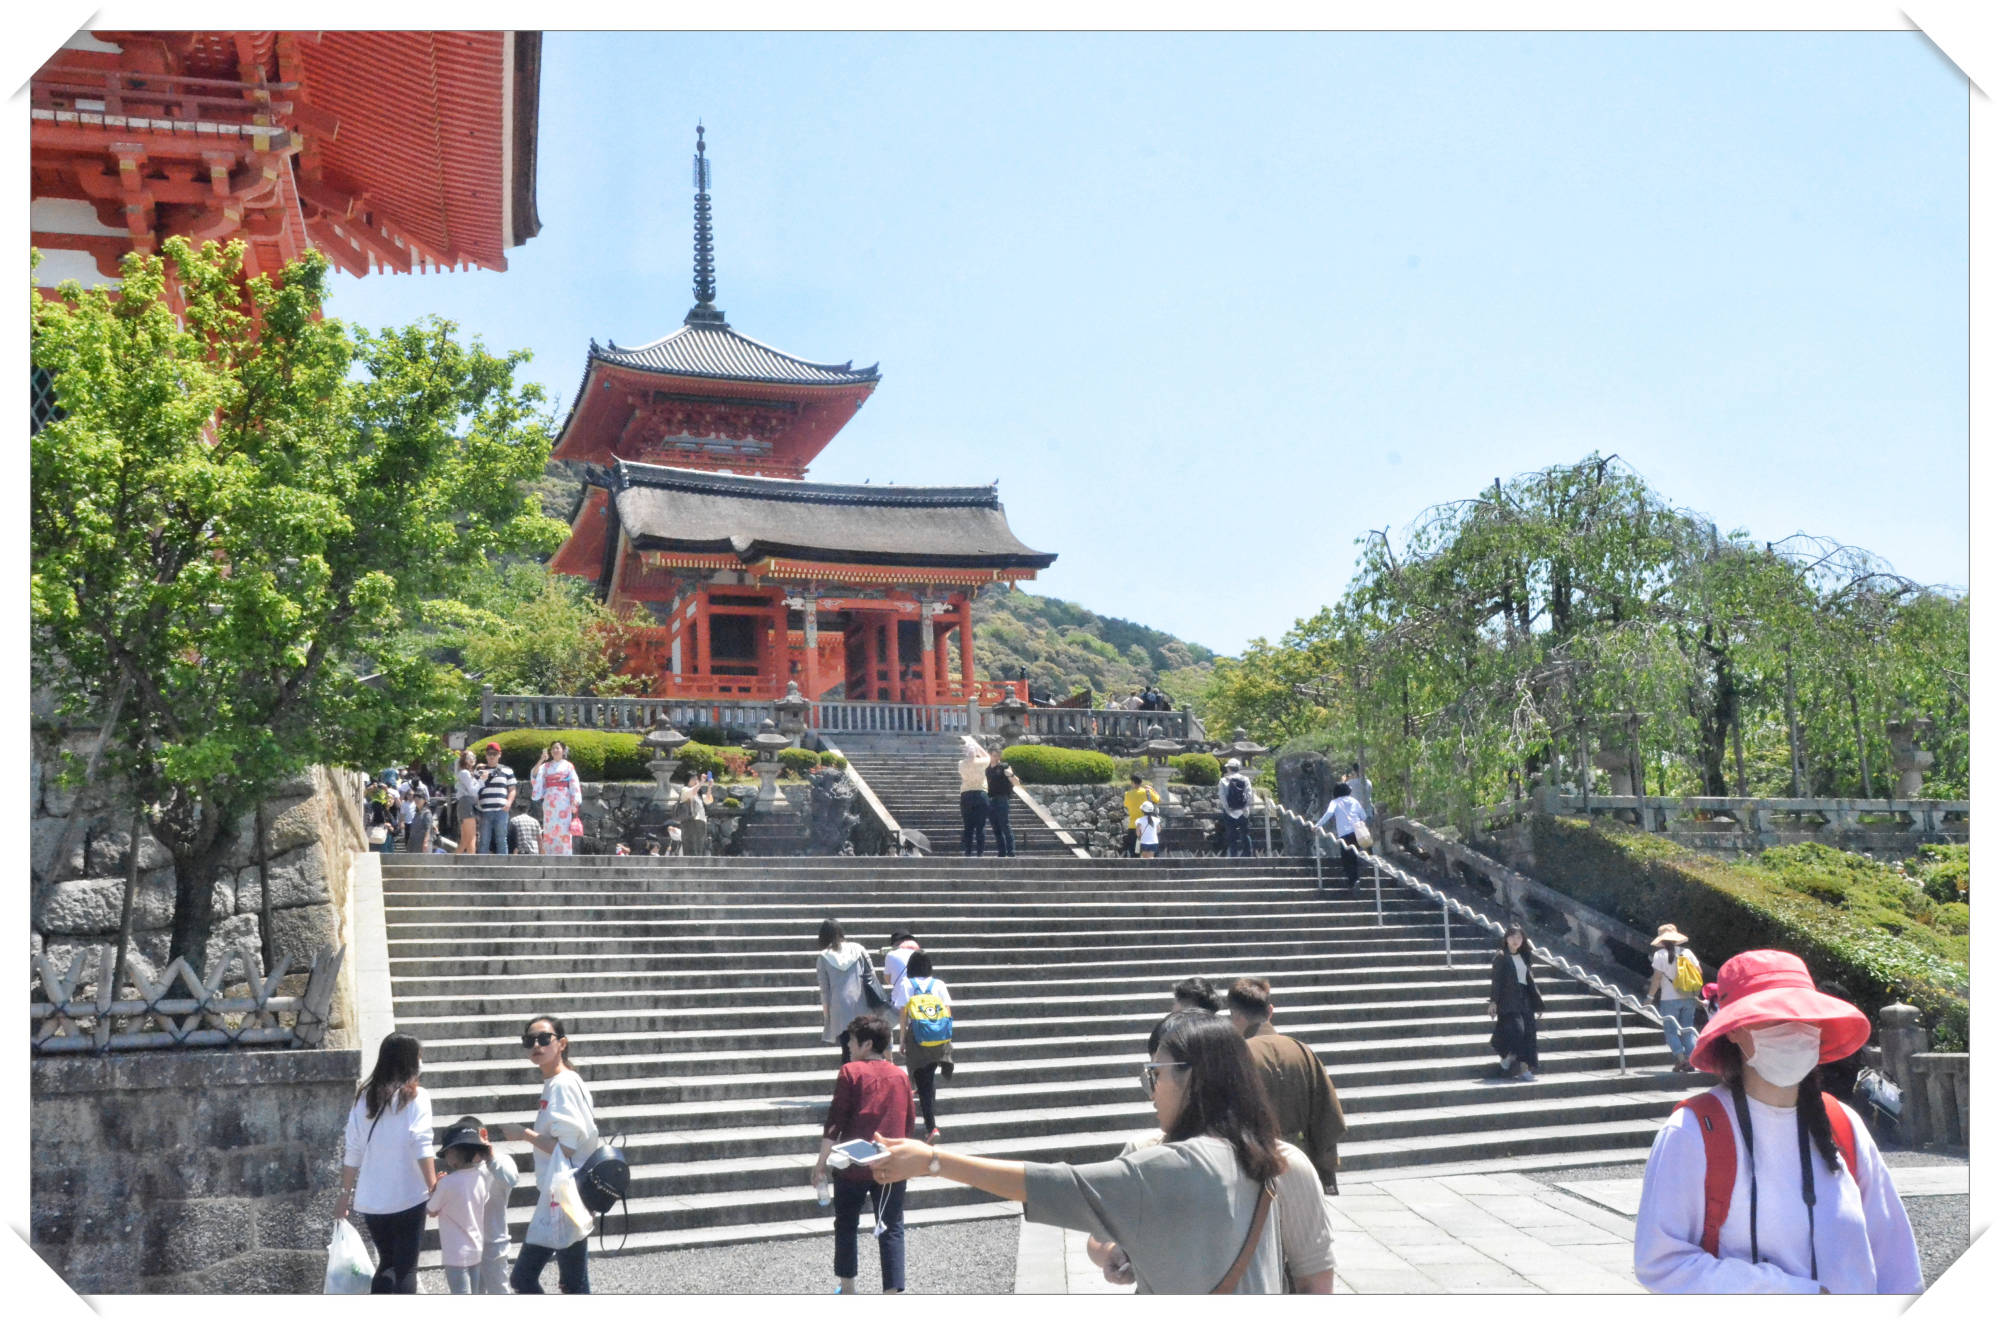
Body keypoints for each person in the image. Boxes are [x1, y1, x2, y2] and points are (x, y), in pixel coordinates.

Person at [871, 1010, 1286, 1294]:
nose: (1150, 1091)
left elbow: (1049, 1183)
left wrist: (932, 1161)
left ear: (1192, 1079)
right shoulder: (1254, 1153)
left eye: (1154, 1074)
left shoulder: (1171, 1166)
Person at [1632, 950, 1923, 1294]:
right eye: (1772, 1017)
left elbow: (1897, 1265)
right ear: (1735, 1032)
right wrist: (1796, 1295)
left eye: (1803, 1017)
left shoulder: (1843, 1123)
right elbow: (1661, 1263)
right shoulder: (1692, 1131)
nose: (1793, 1030)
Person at [812, 1015, 914, 1294]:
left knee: (846, 1224)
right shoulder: (900, 1076)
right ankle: (892, 1294)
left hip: (853, 1165)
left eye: (853, 1042)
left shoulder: (850, 1072)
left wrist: (820, 1163)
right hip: (890, 1164)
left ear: (867, 1044)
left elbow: (835, 1122)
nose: (849, 1047)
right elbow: (908, 1124)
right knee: (892, 1226)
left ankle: (848, 1289)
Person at [333, 1032, 436, 1294]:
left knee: (387, 1262)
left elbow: (353, 1148)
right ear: (411, 1061)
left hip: (372, 1199)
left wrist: (344, 1195)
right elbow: (421, 1142)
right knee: (405, 1268)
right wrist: (434, 1187)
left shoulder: (365, 1096)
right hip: (408, 1194)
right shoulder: (416, 1096)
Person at [502, 1015, 598, 1293]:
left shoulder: (561, 1084)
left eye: (544, 1038)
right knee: (572, 1283)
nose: (536, 1044)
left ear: (562, 1043)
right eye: (529, 1040)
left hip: (565, 1197)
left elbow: (565, 1148)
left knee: (525, 1278)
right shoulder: (563, 1080)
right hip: (567, 1195)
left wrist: (523, 1134)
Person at [1226, 978, 1346, 1191]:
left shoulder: (1235, 1056)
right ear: (1270, 1010)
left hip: (1255, 1172)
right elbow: (1329, 1116)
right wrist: (1326, 1171)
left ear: (1235, 1015)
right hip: (1302, 1166)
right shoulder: (1302, 1050)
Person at [441, 1115, 520, 1294]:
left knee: (498, 1292)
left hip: (493, 1243)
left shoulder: (500, 1160)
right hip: (466, 1246)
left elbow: (511, 1179)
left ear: (483, 1135)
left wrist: (489, 1156)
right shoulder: (462, 1169)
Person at [894, 950, 954, 1142]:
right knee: (928, 1079)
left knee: (923, 1080)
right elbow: (948, 1011)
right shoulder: (938, 984)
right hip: (938, 1037)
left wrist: (902, 1039)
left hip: (917, 1038)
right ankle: (930, 1121)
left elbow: (903, 1015)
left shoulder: (906, 984)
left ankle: (931, 1127)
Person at [428, 1122, 494, 1294]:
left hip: (455, 1253)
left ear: (452, 1153)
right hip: (477, 1247)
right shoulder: (481, 1177)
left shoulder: (447, 1183)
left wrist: (435, 1188)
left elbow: (431, 1210)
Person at [817, 919, 888, 1062]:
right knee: (868, 1048)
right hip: (863, 1005)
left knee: (848, 1048)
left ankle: (850, 1080)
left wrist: (827, 1017)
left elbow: (825, 991)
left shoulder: (823, 957)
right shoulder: (858, 949)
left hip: (840, 1009)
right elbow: (872, 976)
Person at [1486, 923, 1545, 1081]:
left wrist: (1537, 1003)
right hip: (1508, 1002)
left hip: (1525, 1001)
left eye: (1519, 937)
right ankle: (1509, 1057)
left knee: (1529, 1035)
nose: (1515, 940)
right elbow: (1496, 981)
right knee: (1517, 1032)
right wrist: (1493, 1002)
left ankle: (1525, 1070)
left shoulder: (1523, 956)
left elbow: (1530, 981)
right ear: (1506, 939)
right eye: (1512, 936)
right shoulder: (1501, 956)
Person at [1645, 923, 1704, 1074]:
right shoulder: (1687, 952)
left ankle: (1681, 1059)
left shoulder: (1660, 955)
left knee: (1671, 1031)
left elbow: (1657, 978)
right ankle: (1691, 1060)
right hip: (1688, 997)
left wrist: (1650, 997)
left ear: (1661, 940)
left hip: (1669, 998)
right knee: (1688, 1030)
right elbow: (1699, 972)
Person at [531, 741, 582, 856]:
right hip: (550, 800)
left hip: (564, 800)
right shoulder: (546, 766)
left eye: (557, 748)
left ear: (563, 750)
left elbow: (574, 783)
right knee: (550, 828)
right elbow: (535, 776)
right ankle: (549, 854)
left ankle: (565, 855)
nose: (555, 750)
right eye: (553, 748)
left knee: (564, 829)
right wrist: (541, 760)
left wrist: (575, 799)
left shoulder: (568, 766)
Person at [1313, 781, 1366, 888]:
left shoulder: (1335, 802)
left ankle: (1353, 880)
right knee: (1354, 854)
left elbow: (1328, 814)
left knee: (1346, 857)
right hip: (1357, 831)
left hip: (1345, 833)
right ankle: (1356, 879)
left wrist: (1318, 825)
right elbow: (1363, 816)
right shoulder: (1354, 801)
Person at [475, 742, 516, 855]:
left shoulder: (507, 771)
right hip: (484, 811)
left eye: (494, 753)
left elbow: (512, 789)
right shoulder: (479, 771)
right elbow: (474, 789)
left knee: (501, 840)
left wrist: (508, 803)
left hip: (501, 810)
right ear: (486, 755)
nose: (492, 756)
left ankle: (503, 867)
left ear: (499, 755)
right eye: (489, 754)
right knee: (483, 840)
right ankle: (481, 868)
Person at [956, 735, 991, 856]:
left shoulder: (961, 764)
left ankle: (968, 851)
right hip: (981, 794)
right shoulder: (981, 763)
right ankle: (980, 853)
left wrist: (972, 747)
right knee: (980, 827)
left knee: (968, 826)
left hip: (966, 795)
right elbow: (987, 756)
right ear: (975, 753)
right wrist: (977, 745)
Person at [984, 748, 1020, 857]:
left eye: (997, 756)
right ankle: (1001, 852)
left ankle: (1011, 851)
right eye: (993, 755)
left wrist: (1011, 775)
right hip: (990, 800)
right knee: (996, 828)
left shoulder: (1004, 766)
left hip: (1002, 799)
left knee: (1005, 825)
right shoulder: (986, 769)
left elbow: (1017, 783)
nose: (996, 758)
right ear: (989, 755)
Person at [1218, 758, 1255, 858]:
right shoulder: (1245, 779)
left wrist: (1227, 809)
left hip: (1230, 811)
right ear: (1238, 768)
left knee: (1231, 834)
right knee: (1245, 833)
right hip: (1243, 811)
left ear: (1229, 768)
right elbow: (1249, 795)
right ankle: (1247, 854)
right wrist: (1245, 808)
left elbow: (1222, 797)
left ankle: (1233, 855)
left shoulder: (1224, 780)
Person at [677, 769, 714, 857]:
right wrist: (701, 782)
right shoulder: (685, 789)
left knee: (699, 847)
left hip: (700, 822)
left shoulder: (698, 794)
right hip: (689, 822)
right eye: (693, 779)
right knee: (690, 847)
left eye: (696, 779)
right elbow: (692, 792)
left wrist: (709, 787)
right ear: (688, 780)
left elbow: (708, 800)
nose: (695, 781)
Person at [1121, 774, 1156, 857]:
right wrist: (1152, 789)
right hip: (1146, 826)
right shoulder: (1148, 792)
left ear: (1133, 782)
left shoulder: (1128, 794)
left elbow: (1126, 804)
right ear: (1141, 782)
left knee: (1134, 851)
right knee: (1147, 852)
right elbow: (1158, 799)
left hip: (1133, 825)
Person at [454, 750, 481, 855]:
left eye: (474, 756)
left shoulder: (469, 773)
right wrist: (482, 781)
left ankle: (452, 865)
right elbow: (473, 791)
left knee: (466, 840)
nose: (472, 759)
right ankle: (470, 864)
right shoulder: (464, 773)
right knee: (471, 837)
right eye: (469, 757)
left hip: (466, 803)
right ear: (464, 760)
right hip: (467, 803)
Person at [402, 789, 434, 856]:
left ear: (424, 800)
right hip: (414, 843)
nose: (417, 800)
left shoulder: (427, 813)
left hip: (423, 845)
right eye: (415, 798)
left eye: (419, 798)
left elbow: (428, 829)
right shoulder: (416, 813)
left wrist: (425, 843)